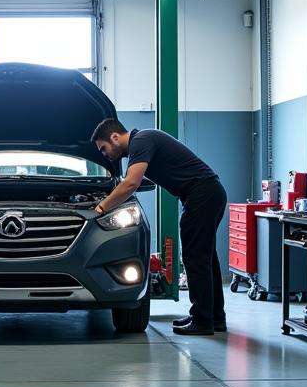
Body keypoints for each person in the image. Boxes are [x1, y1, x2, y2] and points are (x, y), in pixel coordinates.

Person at [91, 118, 228, 336]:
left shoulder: (141, 140)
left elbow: (131, 183)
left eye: (104, 148)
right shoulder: (144, 141)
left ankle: (203, 321)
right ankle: (213, 317)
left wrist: (101, 207)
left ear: (114, 137)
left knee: (196, 258)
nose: (104, 154)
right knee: (206, 258)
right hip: (207, 193)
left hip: (201, 194)